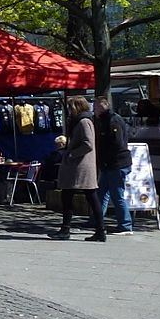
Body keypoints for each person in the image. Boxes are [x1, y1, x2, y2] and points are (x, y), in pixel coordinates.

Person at [49, 96, 106, 242]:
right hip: (79, 166)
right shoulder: (81, 121)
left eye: (70, 107)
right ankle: (98, 230)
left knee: (79, 196)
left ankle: (68, 229)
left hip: (80, 166)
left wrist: (72, 154)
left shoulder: (84, 121)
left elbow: (88, 143)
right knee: (84, 196)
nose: (69, 110)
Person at [94, 97, 133, 235]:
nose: (94, 109)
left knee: (117, 194)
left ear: (103, 106)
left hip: (116, 163)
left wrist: (106, 157)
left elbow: (116, 144)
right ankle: (97, 221)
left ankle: (125, 225)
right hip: (110, 164)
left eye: (96, 106)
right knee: (102, 193)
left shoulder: (113, 120)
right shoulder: (105, 119)